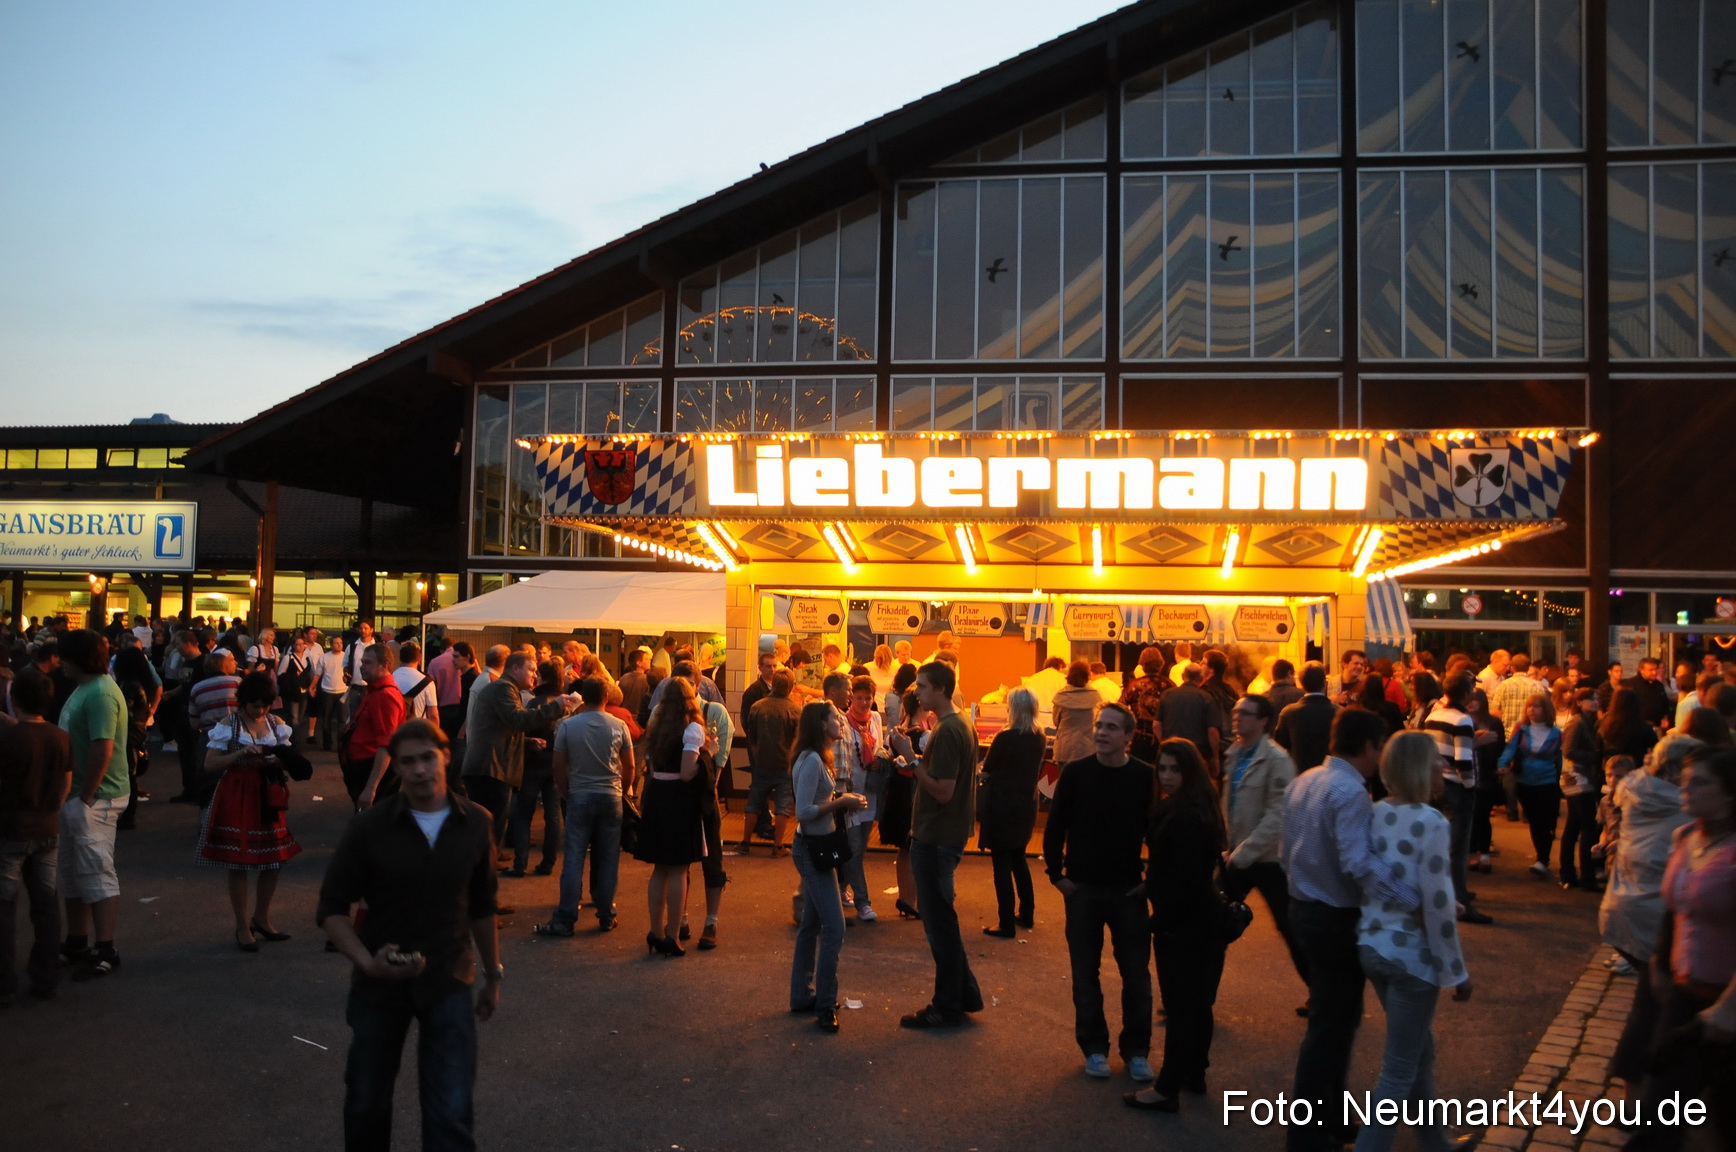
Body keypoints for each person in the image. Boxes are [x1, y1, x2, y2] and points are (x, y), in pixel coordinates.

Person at [317, 719, 502, 1151]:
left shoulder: (476, 823)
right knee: (366, 1104)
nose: (420, 770)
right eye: (408, 762)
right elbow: (331, 908)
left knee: (451, 1113)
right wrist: (367, 962)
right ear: (396, 769)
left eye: (427, 757)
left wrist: (493, 974)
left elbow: (482, 906)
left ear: (446, 757)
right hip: (379, 987)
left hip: (449, 979)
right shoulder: (370, 828)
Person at [1280, 707, 1420, 1152]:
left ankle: (1332, 1118)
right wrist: (1411, 900)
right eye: (1380, 747)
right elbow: (1358, 863)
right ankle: (1308, 1134)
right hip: (1334, 917)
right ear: (1369, 747)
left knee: (1332, 1018)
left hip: (1303, 908)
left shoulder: (1303, 782)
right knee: (1331, 1027)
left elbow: (1285, 852)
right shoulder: (1350, 791)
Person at [1349, 732, 1474, 1152]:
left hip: (1374, 945)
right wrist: (1457, 972)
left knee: (1418, 1049)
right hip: (1410, 959)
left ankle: (1435, 1142)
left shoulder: (1376, 811)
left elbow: (1390, 879)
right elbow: (1435, 900)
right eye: (1436, 762)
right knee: (1398, 1070)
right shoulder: (1433, 822)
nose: (1442, 769)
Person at [1623, 744, 1736, 1151]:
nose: (1686, 787)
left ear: (1729, 793)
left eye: (1700, 781)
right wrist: (1659, 962)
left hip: (1725, 1012)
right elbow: (1674, 908)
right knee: (1659, 1119)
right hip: (1682, 998)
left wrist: (1729, 1008)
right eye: (1685, 778)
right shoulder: (1685, 836)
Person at [1042, 699, 1154, 1078]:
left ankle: (1137, 1050)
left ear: (1128, 736)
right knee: (1085, 973)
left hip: (1128, 891)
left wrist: (1150, 882)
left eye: (1110, 727)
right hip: (1083, 889)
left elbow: (1158, 832)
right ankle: (1094, 1048)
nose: (1101, 732)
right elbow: (1055, 825)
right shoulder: (1075, 773)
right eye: (1099, 725)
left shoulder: (1144, 777)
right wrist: (1057, 875)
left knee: (1136, 974)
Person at [1125, 737, 1227, 1113]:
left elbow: (1186, 878)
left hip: (1183, 922)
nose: (1166, 776)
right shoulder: (1200, 805)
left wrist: (1157, 920)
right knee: (1198, 1004)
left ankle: (1167, 1088)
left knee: (1182, 1007)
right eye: (1162, 768)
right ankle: (1193, 1073)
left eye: (1174, 769)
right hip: (1201, 920)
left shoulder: (1184, 815)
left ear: (1190, 771)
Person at [1603, 735, 1699, 1086]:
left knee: (1650, 1001)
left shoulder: (1637, 790)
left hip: (1623, 907)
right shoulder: (1682, 806)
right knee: (1657, 1006)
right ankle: (1648, 1088)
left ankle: (1637, 1081)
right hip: (1654, 916)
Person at [899, 660, 982, 1029]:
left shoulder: (949, 730)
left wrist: (911, 757)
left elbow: (944, 791)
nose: (917, 692)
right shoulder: (958, 724)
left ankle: (946, 1005)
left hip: (936, 837)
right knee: (943, 921)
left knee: (940, 925)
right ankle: (964, 995)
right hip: (942, 835)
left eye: (922, 686)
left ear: (941, 690)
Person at [196, 671, 302, 951]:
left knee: (275, 859)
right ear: (243, 702)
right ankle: (242, 925)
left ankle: (261, 918)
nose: (261, 710)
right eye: (256, 705)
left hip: (269, 793)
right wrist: (239, 754)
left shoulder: (276, 723)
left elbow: (289, 760)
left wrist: (275, 761)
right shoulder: (228, 724)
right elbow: (209, 764)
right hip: (237, 792)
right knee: (239, 861)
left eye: (266, 705)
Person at [1221, 693, 1308, 996]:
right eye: (1236, 711)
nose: (1237, 716)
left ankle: (1322, 994)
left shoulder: (1277, 759)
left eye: (1245, 713)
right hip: (1236, 857)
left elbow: (1278, 815)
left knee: (1291, 929)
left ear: (1263, 721)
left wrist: (1245, 851)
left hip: (1270, 859)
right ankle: (1197, 996)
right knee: (1214, 925)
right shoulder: (1234, 754)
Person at [55, 629, 129, 982]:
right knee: (72, 872)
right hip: (83, 796)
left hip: (97, 797)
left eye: (63, 656)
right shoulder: (90, 688)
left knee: (96, 871)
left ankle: (105, 947)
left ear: (77, 658)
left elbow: (104, 748)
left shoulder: (99, 693)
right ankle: (77, 941)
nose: (59, 662)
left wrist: (83, 798)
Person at [789, 700, 867, 1034]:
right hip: (812, 850)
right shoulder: (811, 761)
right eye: (836, 717)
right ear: (821, 724)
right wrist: (842, 802)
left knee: (811, 925)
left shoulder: (818, 758)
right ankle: (824, 1003)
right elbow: (804, 811)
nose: (840, 721)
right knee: (834, 928)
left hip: (818, 848)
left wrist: (841, 806)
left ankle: (802, 995)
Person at [536, 676, 635, 937]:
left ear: (583, 696)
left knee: (574, 856)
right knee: (607, 857)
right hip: (611, 795)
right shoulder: (619, 726)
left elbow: (558, 764)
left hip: (579, 794)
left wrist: (566, 792)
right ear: (606, 697)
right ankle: (606, 914)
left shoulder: (568, 726)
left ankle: (566, 917)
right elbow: (630, 765)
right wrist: (621, 791)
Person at [0, 670, 72, 1004]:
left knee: (5, 908)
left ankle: (4, 981)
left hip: (12, 830)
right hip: (47, 828)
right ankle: (45, 976)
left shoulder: (10, 739)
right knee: (45, 906)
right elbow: (65, 785)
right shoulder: (60, 737)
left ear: (15, 700)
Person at [633, 676, 716, 956]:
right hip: (678, 800)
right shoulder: (692, 728)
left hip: (656, 795)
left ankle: (654, 933)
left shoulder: (656, 726)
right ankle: (671, 935)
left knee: (659, 869)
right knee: (679, 869)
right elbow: (687, 772)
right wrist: (709, 753)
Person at [458, 653, 574, 852]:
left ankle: (487, 862)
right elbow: (518, 720)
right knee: (490, 825)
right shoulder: (503, 688)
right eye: (531, 669)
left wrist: (528, 742)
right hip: (490, 769)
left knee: (491, 824)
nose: (534, 675)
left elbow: (503, 728)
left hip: (490, 766)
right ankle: (484, 868)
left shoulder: (505, 689)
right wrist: (555, 707)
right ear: (515, 668)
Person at [1423, 674, 1492, 924]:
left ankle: (1447, 893)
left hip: (1436, 785)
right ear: (1466, 695)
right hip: (1455, 787)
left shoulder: (1433, 715)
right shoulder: (1462, 719)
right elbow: (1463, 760)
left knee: (1441, 844)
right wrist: (1471, 786)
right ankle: (1460, 900)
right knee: (1458, 847)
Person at [979, 686, 1043, 938]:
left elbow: (989, 765)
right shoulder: (1037, 736)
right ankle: (1026, 913)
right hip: (1027, 803)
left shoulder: (1006, 737)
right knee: (1018, 858)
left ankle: (1005, 922)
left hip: (1002, 804)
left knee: (1001, 864)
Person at [503, 661, 566, 878]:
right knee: (553, 813)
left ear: (543, 677)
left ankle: (520, 863)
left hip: (532, 764)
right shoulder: (567, 703)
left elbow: (522, 728)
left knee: (523, 814)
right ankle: (548, 862)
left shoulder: (534, 702)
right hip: (557, 763)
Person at [1498, 693, 1565, 881]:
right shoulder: (1521, 728)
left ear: (1546, 710)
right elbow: (1510, 748)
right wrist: (1502, 763)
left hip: (1548, 781)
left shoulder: (1556, 733)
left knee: (1546, 821)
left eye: (1536, 706)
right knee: (1535, 821)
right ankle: (1541, 857)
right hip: (1525, 781)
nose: (1532, 710)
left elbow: (1561, 759)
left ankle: (1542, 859)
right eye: (1529, 706)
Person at [735, 669, 800, 856]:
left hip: (761, 762)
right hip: (785, 764)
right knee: (783, 806)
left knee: (754, 802)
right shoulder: (795, 710)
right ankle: (778, 846)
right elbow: (797, 740)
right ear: (790, 687)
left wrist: (757, 756)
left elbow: (751, 735)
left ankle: (746, 842)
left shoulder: (757, 707)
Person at [879, 667, 924, 919]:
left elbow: (887, 755)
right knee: (915, 846)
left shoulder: (895, 732)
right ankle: (912, 899)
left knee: (903, 847)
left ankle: (904, 897)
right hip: (914, 793)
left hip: (897, 791)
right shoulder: (924, 736)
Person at [344, 645, 406, 808]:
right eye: (362, 662)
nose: (362, 667)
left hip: (372, 768)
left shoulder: (385, 696)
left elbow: (386, 745)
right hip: (364, 767)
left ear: (385, 665)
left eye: (368, 663)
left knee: (374, 823)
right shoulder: (374, 691)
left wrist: (371, 787)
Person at [1559, 688, 1605, 890]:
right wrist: (1593, 756)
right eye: (1590, 699)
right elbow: (1568, 750)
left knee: (1574, 825)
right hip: (1575, 775)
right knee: (1587, 824)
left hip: (1577, 775)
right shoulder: (1577, 723)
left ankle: (1568, 872)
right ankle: (1586, 874)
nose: (1595, 702)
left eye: (1596, 698)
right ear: (1580, 702)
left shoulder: (1589, 722)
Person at [1156, 663, 1225, 776]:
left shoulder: (1167, 694)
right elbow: (1212, 731)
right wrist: (1215, 757)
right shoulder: (1206, 697)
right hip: (1198, 753)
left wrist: (1164, 744)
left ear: (1183, 676)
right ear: (1201, 678)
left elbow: (1156, 725)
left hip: (1172, 751)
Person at [1274, 662, 1336, 773]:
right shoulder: (1339, 713)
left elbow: (1279, 748)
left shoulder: (1288, 713)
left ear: (1301, 683)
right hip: (1330, 776)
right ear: (1324, 683)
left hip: (1299, 775)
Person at [1050, 660, 1101, 768]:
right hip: (1088, 748)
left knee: (1065, 782)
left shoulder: (1061, 696)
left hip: (1066, 748)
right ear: (1088, 676)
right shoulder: (1095, 696)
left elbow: (1056, 722)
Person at [316, 635, 350, 751]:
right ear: (331, 645)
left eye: (340, 643)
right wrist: (312, 687)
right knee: (326, 719)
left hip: (343, 691)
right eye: (336, 643)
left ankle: (341, 744)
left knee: (342, 720)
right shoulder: (324, 657)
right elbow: (318, 674)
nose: (339, 645)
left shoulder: (346, 656)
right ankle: (327, 743)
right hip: (327, 691)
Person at [1624, 657, 1673, 732]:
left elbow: (1665, 705)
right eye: (1651, 670)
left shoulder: (1659, 685)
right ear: (1641, 670)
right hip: (1637, 729)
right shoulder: (1631, 685)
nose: (1654, 672)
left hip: (1657, 728)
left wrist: (1665, 717)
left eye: (1655, 669)